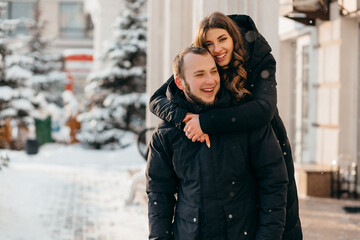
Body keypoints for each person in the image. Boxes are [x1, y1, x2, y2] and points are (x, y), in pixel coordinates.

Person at [149, 12, 302, 239]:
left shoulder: (259, 57)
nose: (217, 49)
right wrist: (184, 119)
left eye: (222, 39)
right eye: (209, 44)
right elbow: (157, 99)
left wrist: (206, 122)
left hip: (260, 127)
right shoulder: (200, 62)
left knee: (284, 214)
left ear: (234, 38)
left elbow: (264, 109)